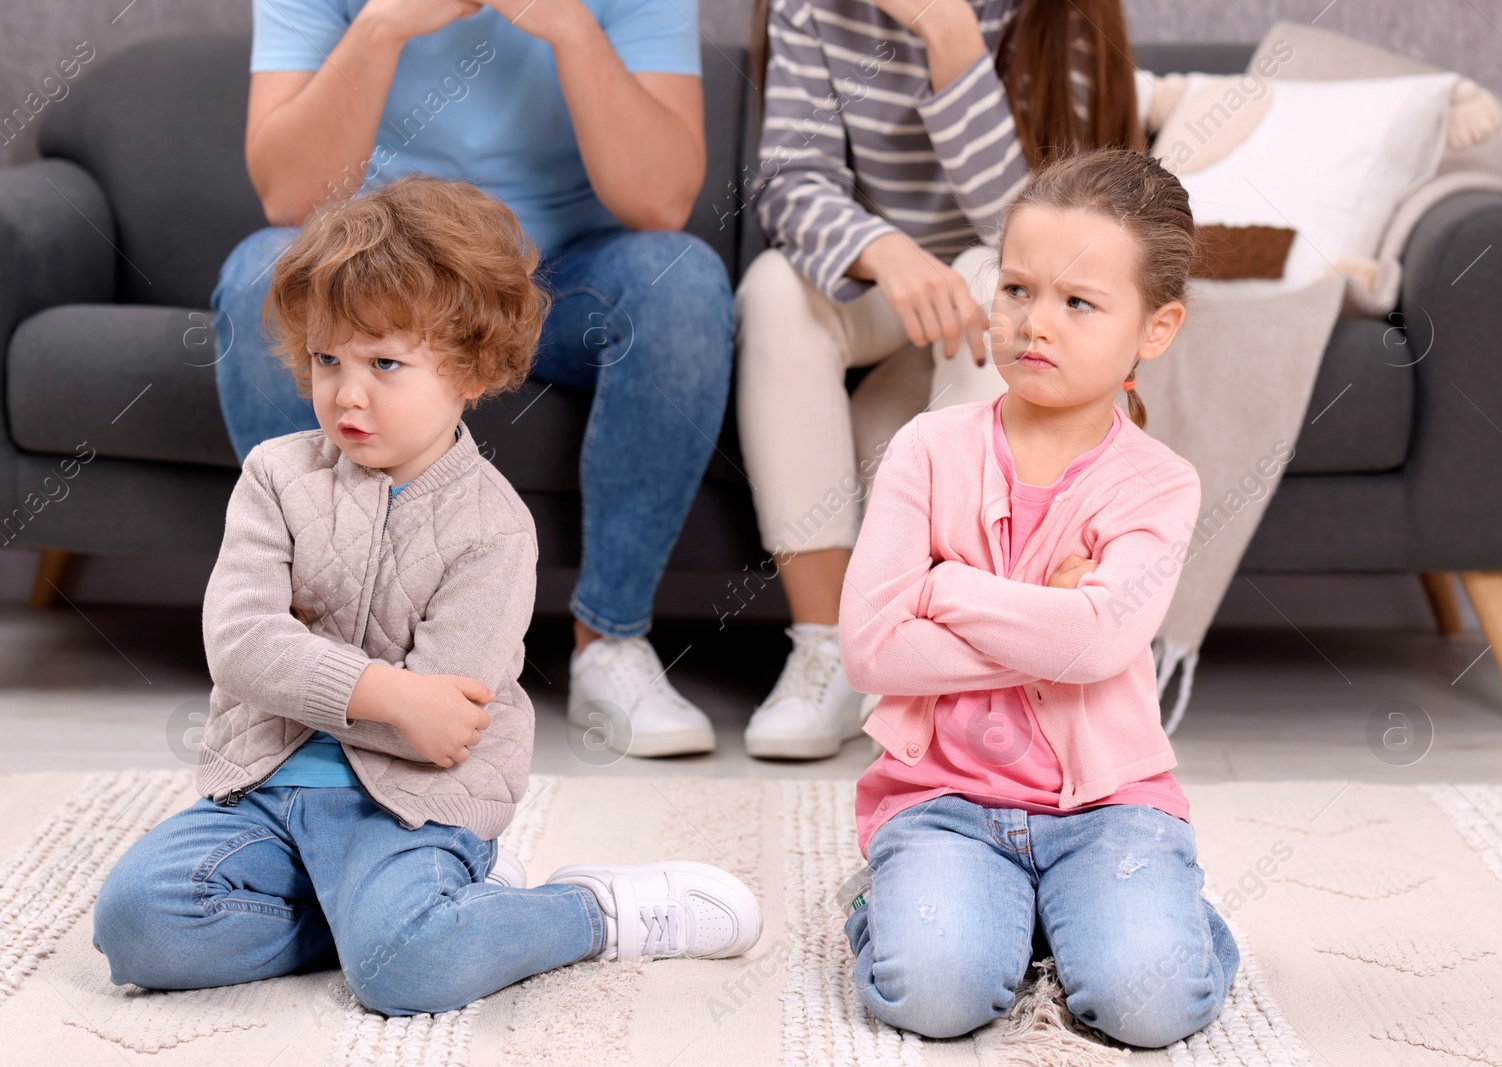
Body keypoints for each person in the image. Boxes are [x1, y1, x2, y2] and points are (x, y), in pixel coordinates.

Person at [93, 178, 762, 1016]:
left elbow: (447, 725)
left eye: (384, 364)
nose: (347, 393)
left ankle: (591, 913)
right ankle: (415, 919)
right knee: (136, 924)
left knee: (404, 976)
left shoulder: (495, 527)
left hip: (407, 807)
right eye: (327, 359)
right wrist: (388, 692)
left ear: (471, 368)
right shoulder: (275, 475)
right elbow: (240, 643)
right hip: (263, 788)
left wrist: (343, 683)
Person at [211, 0, 733, 758]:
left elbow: (660, 201)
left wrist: (570, 24)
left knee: (681, 283)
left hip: (565, 284)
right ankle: (318, 653)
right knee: (262, 269)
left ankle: (611, 644)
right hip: (382, 291)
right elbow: (291, 200)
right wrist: (384, 22)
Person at [836, 148, 1237, 1045]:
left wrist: (944, 587)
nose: (1033, 325)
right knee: (934, 994)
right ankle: (921, 903)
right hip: (944, 801)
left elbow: (1097, 645)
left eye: (1078, 302)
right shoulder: (926, 449)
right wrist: (1047, 612)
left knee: (1147, 1003)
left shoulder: (1159, 485)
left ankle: (1129, 912)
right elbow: (867, 647)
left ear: (1155, 327)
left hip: (1111, 808)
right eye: (1016, 290)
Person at [735, 0, 1152, 758]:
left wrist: (950, 36)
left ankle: (955, 654)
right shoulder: (812, 10)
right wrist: (884, 249)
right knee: (772, 287)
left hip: (999, 289)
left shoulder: (1064, 16)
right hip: (878, 288)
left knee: (993, 272)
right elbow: (792, 184)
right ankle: (825, 648)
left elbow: (1045, 234)